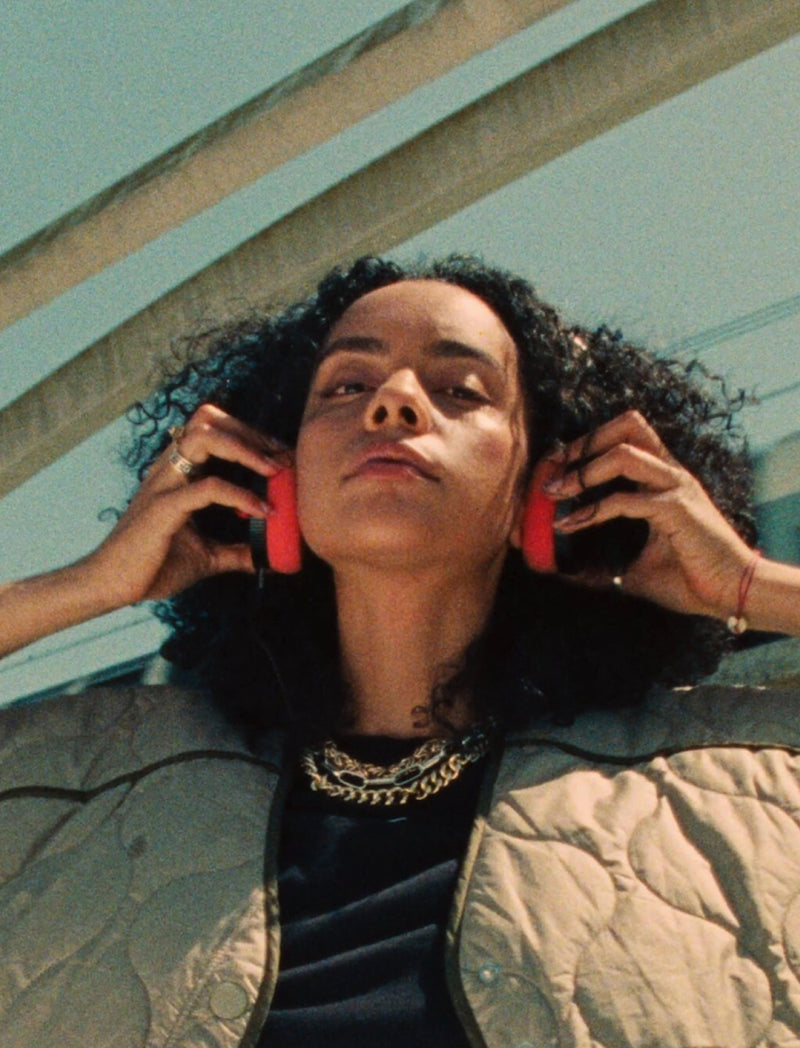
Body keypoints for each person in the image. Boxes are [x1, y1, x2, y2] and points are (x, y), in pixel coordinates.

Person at [1, 254, 800, 1048]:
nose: (395, 402)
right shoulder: (73, 780)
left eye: (461, 390)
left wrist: (745, 583)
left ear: (548, 482)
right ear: (276, 478)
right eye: (347, 386)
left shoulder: (739, 779)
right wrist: (87, 585)